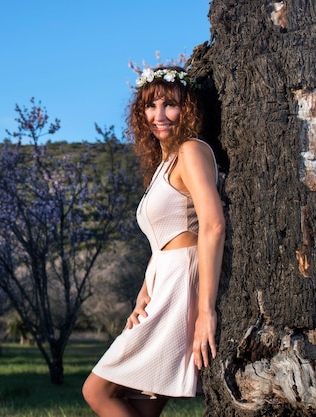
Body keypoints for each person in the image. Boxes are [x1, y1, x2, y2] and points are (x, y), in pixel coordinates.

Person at [82, 66, 225, 417]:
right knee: (142, 408)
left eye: (169, 105)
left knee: (96, 390)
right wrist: (145, 287)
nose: (158, 116)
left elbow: (212, 225)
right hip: (162, 282)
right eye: (150, 106)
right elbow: (164, 237)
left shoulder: (191, 150)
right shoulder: (164, 163)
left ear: (187, 108)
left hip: (181, 284)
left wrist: (206, 312)